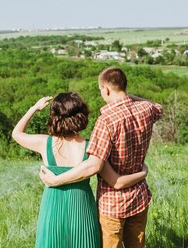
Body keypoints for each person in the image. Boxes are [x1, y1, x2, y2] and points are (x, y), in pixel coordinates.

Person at [40, 67, 162, 248]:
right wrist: (127, 98)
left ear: (106, 89)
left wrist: (56, 180)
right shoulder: (146, 109)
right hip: (139, 197)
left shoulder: (106, 121)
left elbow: (93, 165)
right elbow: (158, 107)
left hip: (112, 204)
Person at [12, 92, 148, 248]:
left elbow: (16, 133)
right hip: (83, 210)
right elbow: (116, 182)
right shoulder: (92, 147)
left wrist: (34, 108)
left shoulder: (44, 143)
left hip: (52, 211)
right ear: (81, 116)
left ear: (54, 116)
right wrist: (143, 173)